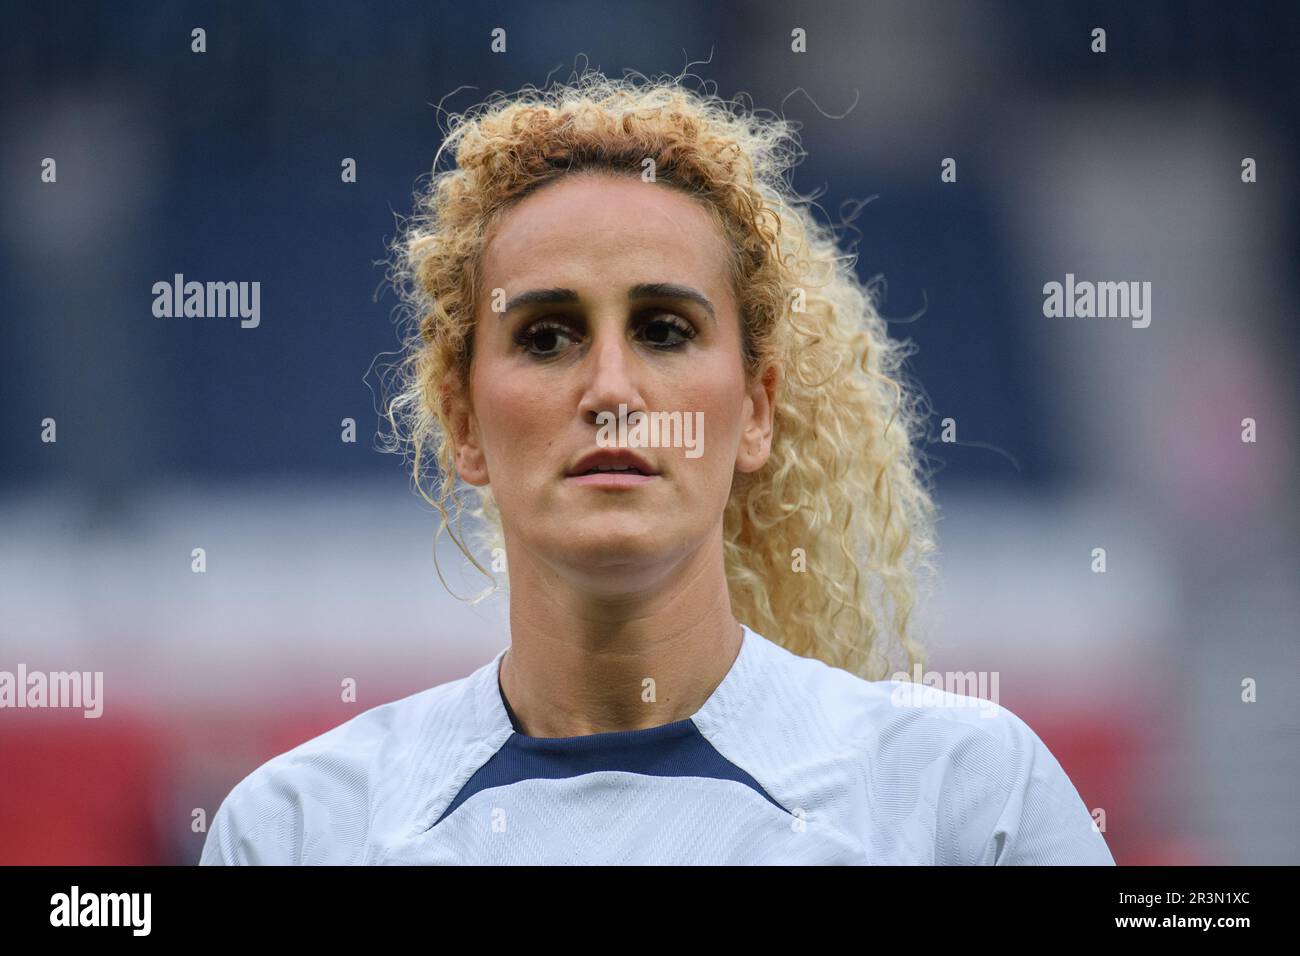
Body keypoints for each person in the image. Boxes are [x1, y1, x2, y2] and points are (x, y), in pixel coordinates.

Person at [201, 70, 1114, 865]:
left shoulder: (966, 796)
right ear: (462, 421)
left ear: (755, 411)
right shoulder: (299, 831)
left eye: (664, 330)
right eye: (547, 335)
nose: (610, 389)